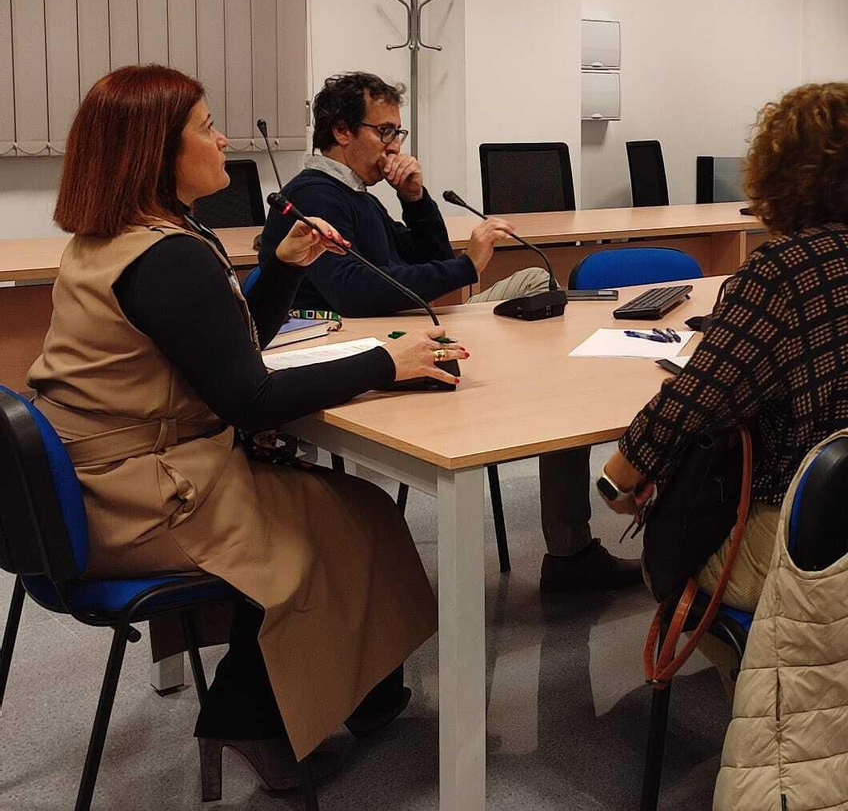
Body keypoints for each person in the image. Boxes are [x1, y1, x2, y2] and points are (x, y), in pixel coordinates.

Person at [28, 65, 458, 793]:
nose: (222, 140)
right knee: (339, 526)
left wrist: (283, 268)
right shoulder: (166, 257)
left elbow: (225, 354)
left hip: (106, 477)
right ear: (155, 152)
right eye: (203, 127)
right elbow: (250, 397)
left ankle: (358, 696)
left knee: (354, 513)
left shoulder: (124, 238)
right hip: (141, 497)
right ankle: (249, 716)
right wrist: (385, 363)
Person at [257, 72, 635, 594]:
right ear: (342, 132)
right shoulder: (314, 196)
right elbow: (360, 293)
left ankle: (563, 511)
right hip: (367, 346)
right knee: (537, 329)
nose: (393, 146)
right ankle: (566, 534)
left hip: (405, 326)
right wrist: (468, 267)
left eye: (397, 134)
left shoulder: (361, 195)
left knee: (534, 283)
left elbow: (426, 258)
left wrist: (415, 199)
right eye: (384, 132)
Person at [594, 82, 848, 612]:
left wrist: (617, 480)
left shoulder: (787, 267)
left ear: (784, 176)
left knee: (676, 542)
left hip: (813, 540)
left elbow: (696, 403)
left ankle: (761, 676)